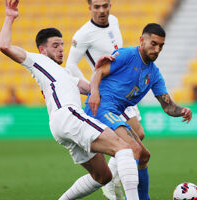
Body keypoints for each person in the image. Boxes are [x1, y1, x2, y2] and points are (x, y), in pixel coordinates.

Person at [0, 0, 140, 199]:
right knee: (123, 148)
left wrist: (99, 70)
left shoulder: (64, 74)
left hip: (61, 125)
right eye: (55, 45)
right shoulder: (37, 61)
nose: (61, 49)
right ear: (42, 50)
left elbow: (90, 88)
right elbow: (4, 46)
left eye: (62, 45)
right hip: (69, 115)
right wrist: (10, 17)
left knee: (103, 176)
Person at [85, 23, 193, 200]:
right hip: (101, 107)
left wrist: (182, 111)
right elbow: (98, 71)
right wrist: (94, 93)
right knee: (133, 149)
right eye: (153, 43)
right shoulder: (127, 55)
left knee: (143, 156)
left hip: (114, 113)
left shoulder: (154, 74)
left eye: (161, 46)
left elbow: (167, 106)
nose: (157, 49)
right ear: (142, 40)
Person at [65, 1, 146, 199]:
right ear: (89, 8)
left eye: (105, 6)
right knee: (133, 143)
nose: (102, 11)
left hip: (123, 89)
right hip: (107, 93)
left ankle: (114, 179)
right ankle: (113, 185)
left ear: (110, 5)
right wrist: (93, 89)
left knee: (139, 135)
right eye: (97, 7)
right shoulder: (83, 34)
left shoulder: (115, 21)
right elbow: (70, 65)